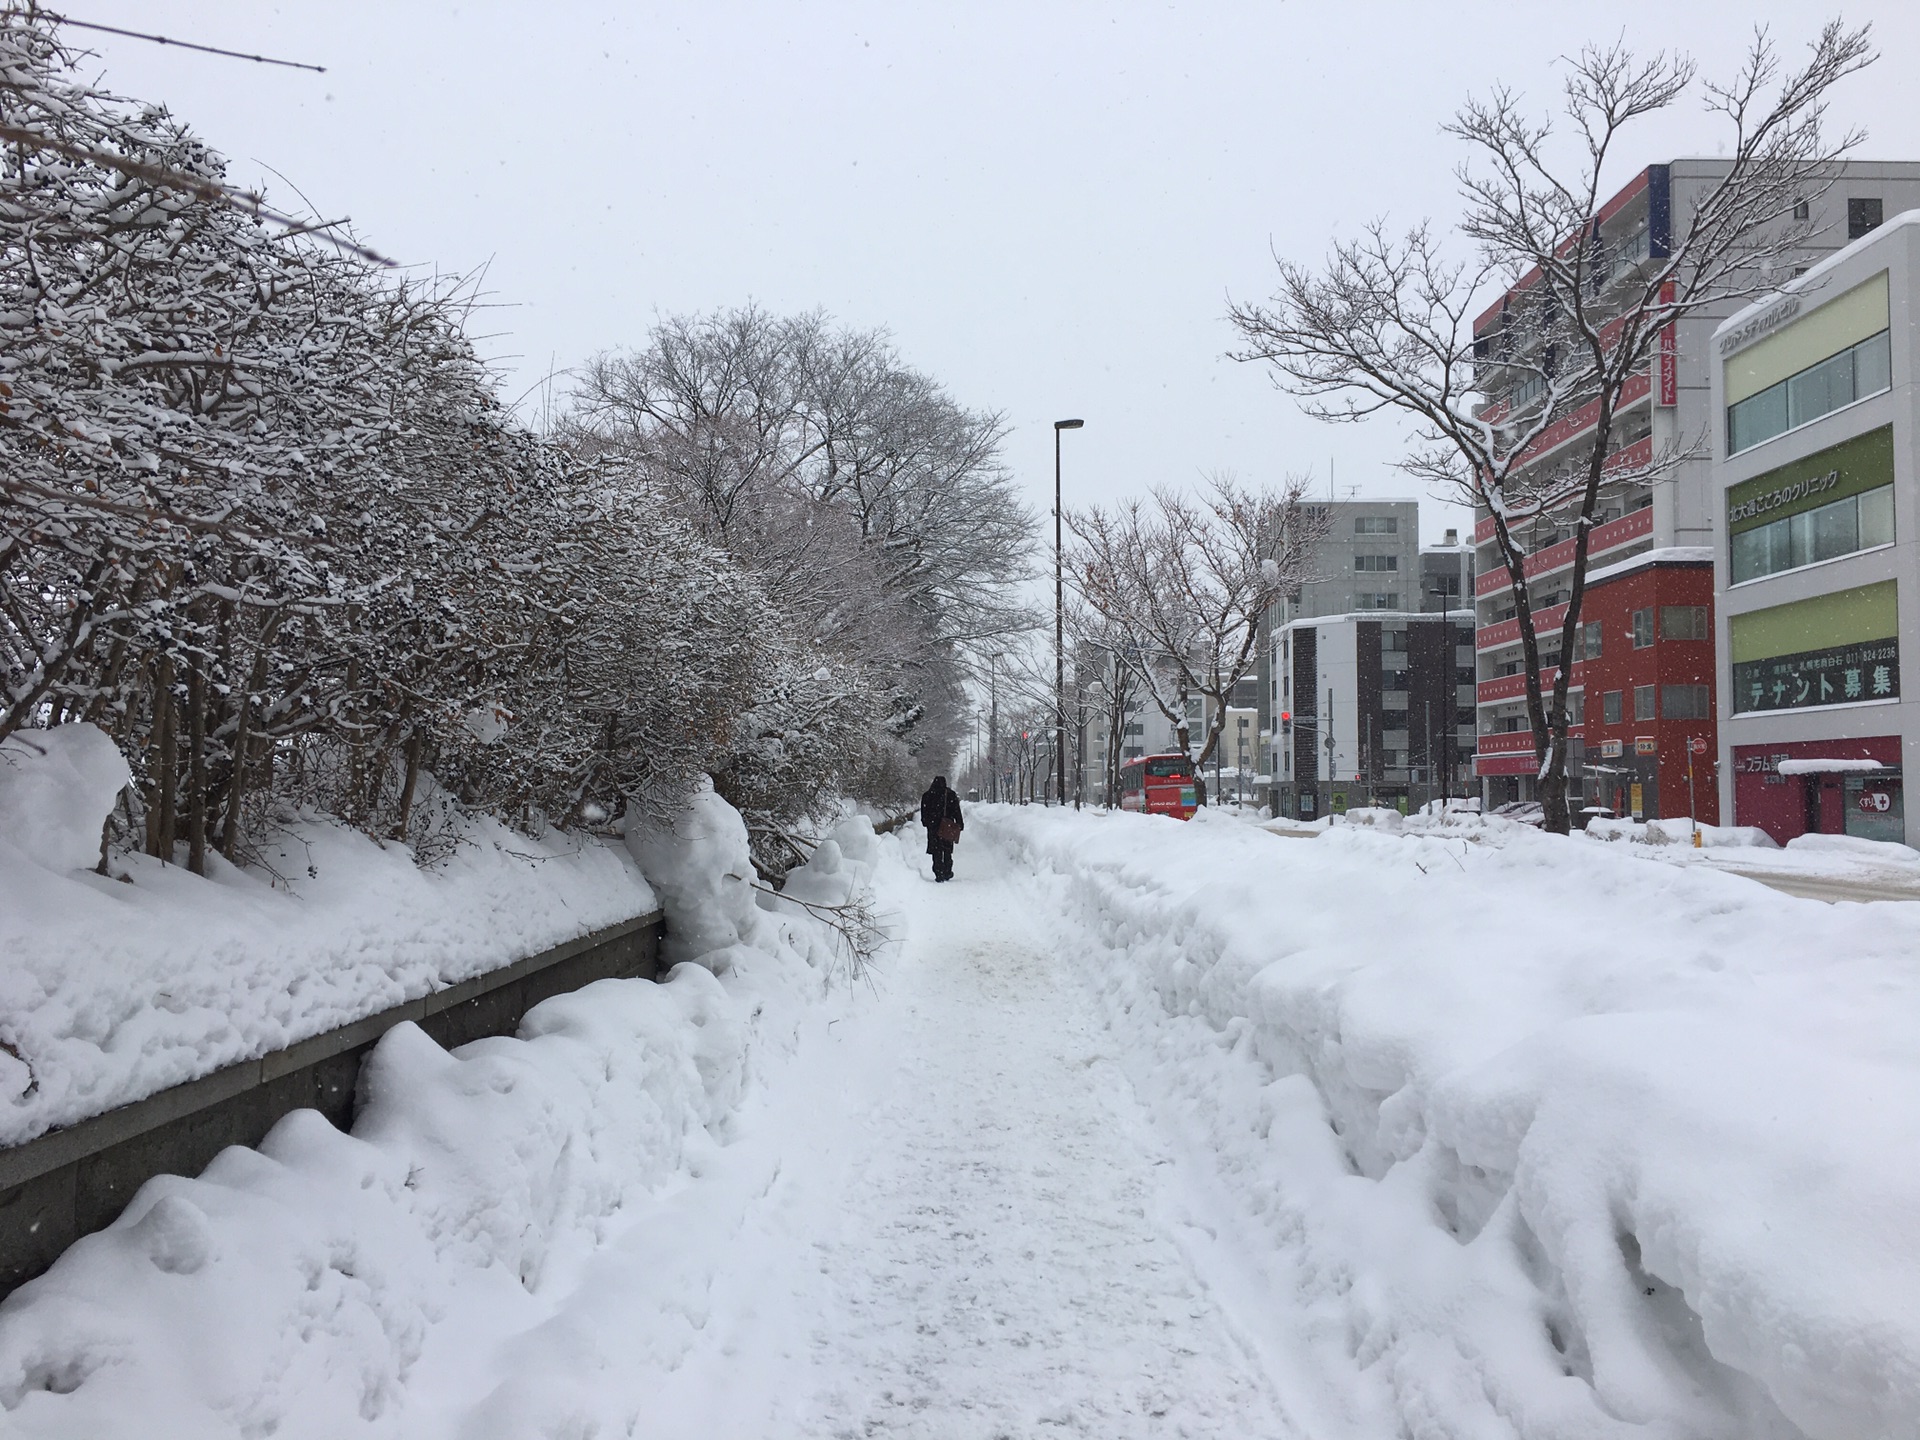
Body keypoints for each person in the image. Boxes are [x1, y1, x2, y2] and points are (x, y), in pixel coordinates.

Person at [920, 774, 964, 882]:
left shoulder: (927, 795)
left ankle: (938, 872)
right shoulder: (950, 795)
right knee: (947, 851)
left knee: (936, 851)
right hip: (947, 827)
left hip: (933, 827)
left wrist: (927, 822)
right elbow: (956, 811)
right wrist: (959, 823)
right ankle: (947, 871)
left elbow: (924, 812)